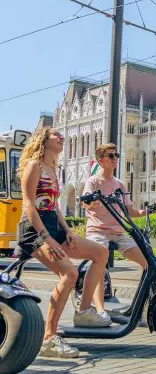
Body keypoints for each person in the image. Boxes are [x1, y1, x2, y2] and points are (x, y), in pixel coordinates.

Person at [16, 127, 111, 359]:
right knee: (70, 274)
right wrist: (46, 238)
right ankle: (49, 338)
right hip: (34, 231)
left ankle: (84, 311)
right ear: (43, 140)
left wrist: (68, 231)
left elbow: (55, 206)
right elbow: (29, 205)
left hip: (55, 228)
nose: (61, 137)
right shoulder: (33, 165)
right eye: (55, 134)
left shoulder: (54, 169)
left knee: (100, 253)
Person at [82, 143, 148, 323]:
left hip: (118, 233)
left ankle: (141, 307)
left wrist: (148, 212)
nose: (115, 159)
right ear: (101, 160)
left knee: (147, 262)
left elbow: (129, 211)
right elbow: (85, 203)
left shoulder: (119, 184)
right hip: (97, 231)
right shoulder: (93, 181)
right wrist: (92, 202)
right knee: (100, 263)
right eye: (111, 156)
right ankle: (100, 310)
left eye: (116, 155)